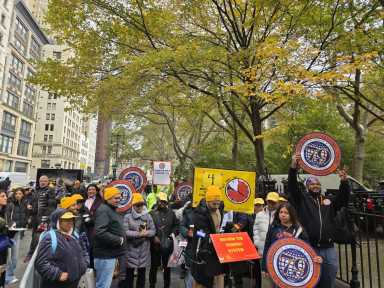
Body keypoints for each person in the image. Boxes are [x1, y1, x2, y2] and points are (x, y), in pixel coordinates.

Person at [289, 154, 351, 288]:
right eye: (312, 184)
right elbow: (293, 187)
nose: (315, 185)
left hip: (328, 248)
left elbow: (343, 199)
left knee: (329, 278)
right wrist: (293, 168)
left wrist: (344, 182)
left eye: (317, 183)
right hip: (310, 247)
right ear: (307, 186)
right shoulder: (302, 200)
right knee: (311, 280)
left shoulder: (328, 200)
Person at [35, 209, 88, 288]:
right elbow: (41, 263)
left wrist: (84, 264)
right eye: (65, 220)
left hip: (73, 284)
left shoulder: (73, 235)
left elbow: (83, 252)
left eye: (71, 219)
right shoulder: (49, 237)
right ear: (57, 221)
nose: (70, 222)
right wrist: (58, 274)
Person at [191, 186, 225, 288]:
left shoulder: (220, 207)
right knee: (202, 279)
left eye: (218, 203)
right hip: (203, 247)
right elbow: (198, 233)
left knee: (218, 275)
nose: (216, 206)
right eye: (213, 204)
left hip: (217, 248)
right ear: (207, 200)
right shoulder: (200, 213)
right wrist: (210, 238)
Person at [120, 193, 156, 288]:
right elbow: (125, 232)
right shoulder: (127, 217)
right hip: (131, 250)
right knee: (129, 276)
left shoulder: (148, 216)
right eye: (137, 205)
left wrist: (146, 233)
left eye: (141, 204)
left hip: (144, 250)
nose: (139, 207)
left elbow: (153, 231)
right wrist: (139, 234)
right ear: (133, 205)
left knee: (142, 276)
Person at [94, 187, 126, 288]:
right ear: (107, 198)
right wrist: (119, 240)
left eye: (119, 198)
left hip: (110, 254)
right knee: (103, 285)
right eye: (115, 198)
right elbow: (100, 231)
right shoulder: (104, 210)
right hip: (105, 256)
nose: (118, 200)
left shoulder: (110, 209)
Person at [149, 192, 179, 288]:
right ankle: (152, 284)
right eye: (160, 201)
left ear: (167, 202)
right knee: (153, 267)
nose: (162, 203)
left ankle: (167, 285)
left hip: (167, 245)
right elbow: (147, 227)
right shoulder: (151, 213)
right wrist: (153, 237)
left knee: (167, 267)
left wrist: (172, 235)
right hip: (155, 245)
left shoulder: (171, 213)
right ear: (157, 201)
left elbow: (176, 225)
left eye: (164, 201)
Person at [26, 175, 57, 261]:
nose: (42, 182)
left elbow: (51, 207)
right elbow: (33, 202)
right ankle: (32, 254)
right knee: (34, 236)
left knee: (41, 236)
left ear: (48, 182)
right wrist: (30, 205)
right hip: (36, 217)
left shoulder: (50, 191)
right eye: (41, 181)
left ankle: (37, 255)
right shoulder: (37, 191)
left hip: (44, 219)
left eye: (44, 181)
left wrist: (45, 219)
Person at [5, 188, 28, 285]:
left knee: (14, 257)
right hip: (10, 233)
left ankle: (9, 275)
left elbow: (26, 216)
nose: (18, 195)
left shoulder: (24, 205)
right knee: (9, 257)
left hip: (18, 232)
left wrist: (26, 222)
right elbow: (7, 217)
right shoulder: (11, 204)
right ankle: (8, 276)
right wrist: (11, 224)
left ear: (23, 195)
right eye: (16, 193)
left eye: (20, 193)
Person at [253, 192, 279, 257]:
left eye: (273, 202)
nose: (271, 203)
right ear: (266, 201)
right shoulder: (259, 214)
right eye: (269, 201)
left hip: (277, 250)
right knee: (263, 266)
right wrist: (257, 242)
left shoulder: (280, 215)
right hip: (262, 250)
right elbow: (255, 229)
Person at [84, 184, 103, 268]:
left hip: (93, 228)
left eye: (93, 189)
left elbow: (100, 215)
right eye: (89, 189)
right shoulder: (84, 200)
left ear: (96, 191)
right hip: (83, 228)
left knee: (92, 249)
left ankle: (92, 268)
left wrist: (90, 220)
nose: (91, 191)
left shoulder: (100, 202)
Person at [179, 196, 194, 288]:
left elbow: (206, 233)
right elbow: (181, 226)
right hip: (190, 245)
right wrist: (187, 232)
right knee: (190, 272)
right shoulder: (187, 212)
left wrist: (198, 234)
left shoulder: (208, 213)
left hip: (203, 248)